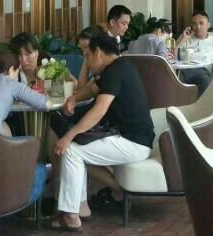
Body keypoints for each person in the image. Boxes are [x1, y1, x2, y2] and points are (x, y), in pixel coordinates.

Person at [51, 33, 154, 231]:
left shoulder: (115, 71)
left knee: (71, 150)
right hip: (132, 138)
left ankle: (70, 215)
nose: (88, 63)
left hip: (133, 143)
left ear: (98, 52)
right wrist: (74, 98)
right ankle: (80, 208)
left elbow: (99, 110)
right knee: (76, 151)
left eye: (88, 56)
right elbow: (92, 89)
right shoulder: (119, 67)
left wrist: (68, 136)